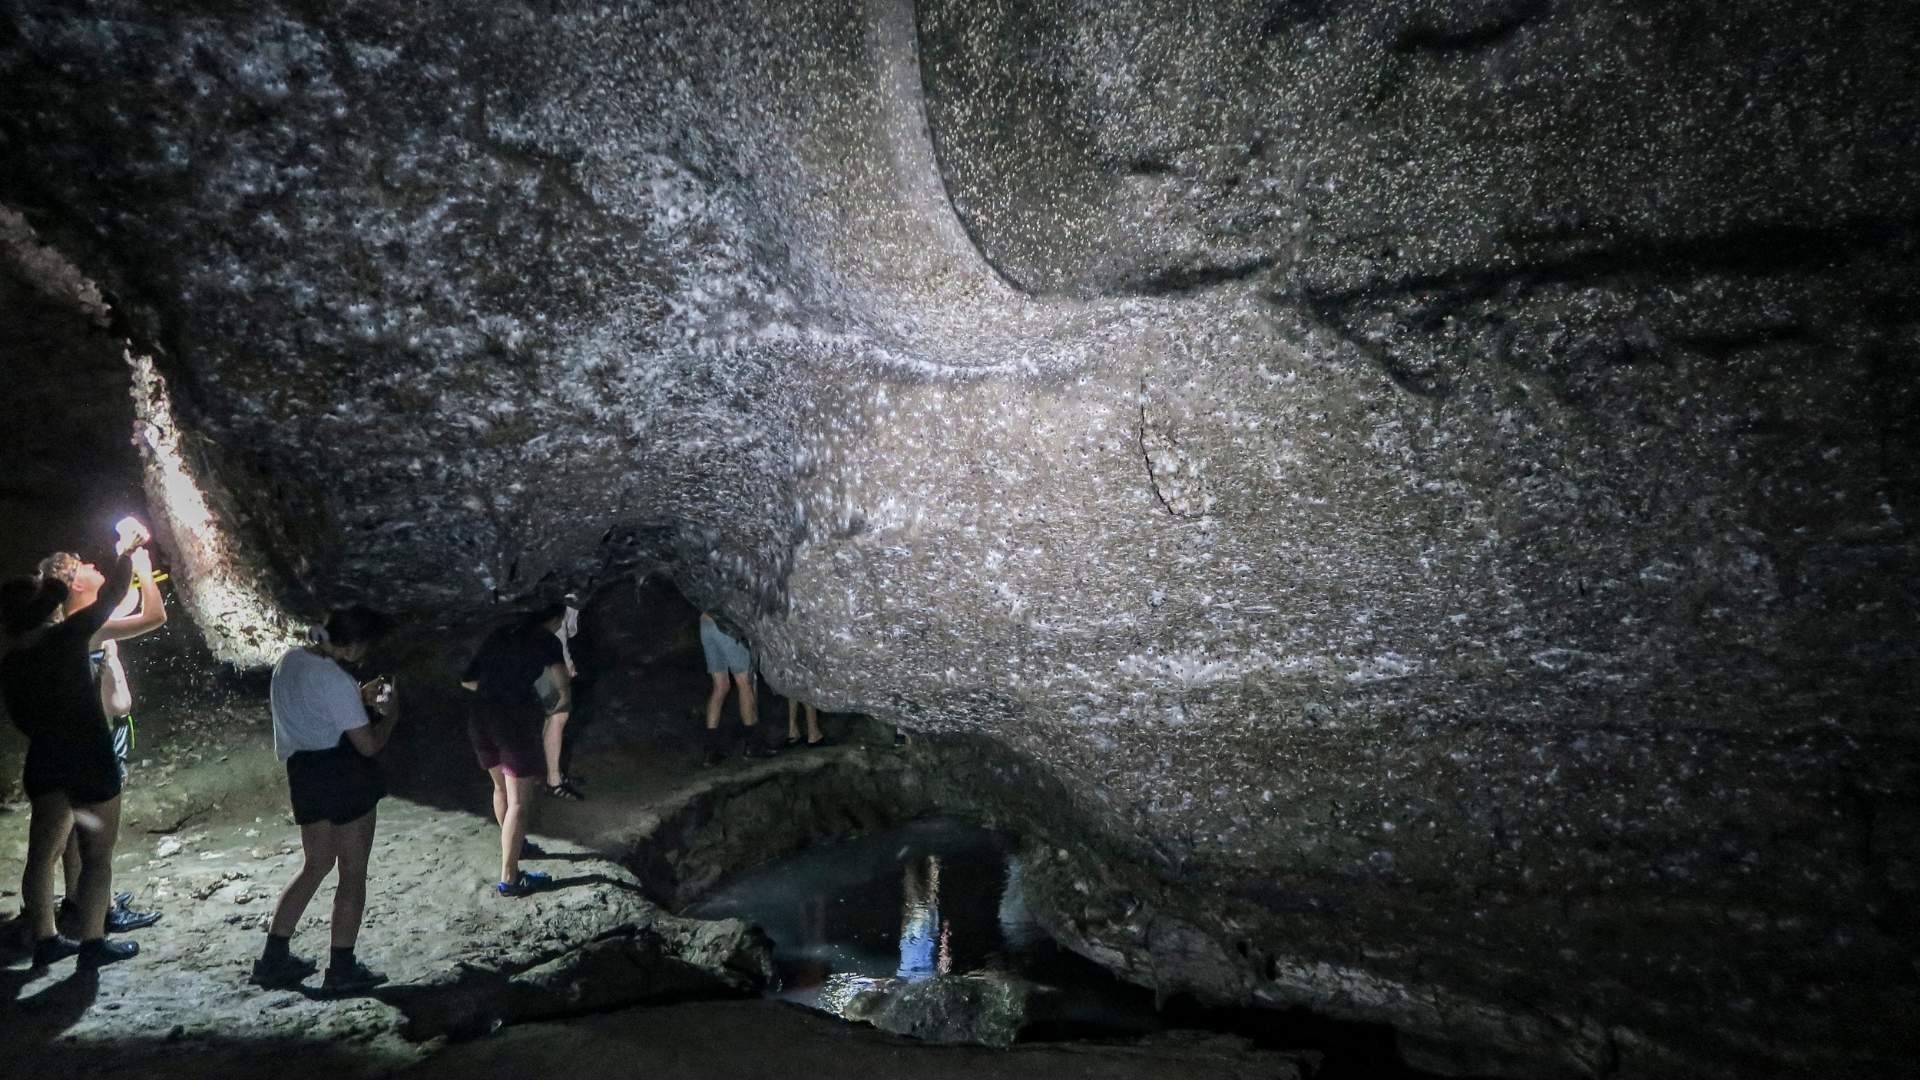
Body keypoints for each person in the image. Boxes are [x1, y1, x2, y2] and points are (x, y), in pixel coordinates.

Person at [0, 518, 164, 969]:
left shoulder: (11, 660)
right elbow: (114, 594)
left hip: (45, 759)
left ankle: (46, 938)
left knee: (42, 855)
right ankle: (93, 941)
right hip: (88, 758)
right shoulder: (67, 637)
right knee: (97, 855)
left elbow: (21, 718)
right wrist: (127, 552)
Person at [252, 606, 398, 993]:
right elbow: (367, 745)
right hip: (345, 775)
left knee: (315, 865)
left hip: (304, 773)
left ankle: (273, 959)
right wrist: (391, 716)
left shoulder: (289, 660)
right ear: (354, 646)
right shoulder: (336, 679)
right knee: (352, 872)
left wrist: (357, 696)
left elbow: (315, 707)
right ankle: (342, 968)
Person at [38, 550, 166, 935]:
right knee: (95, 836)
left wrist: (127, 558)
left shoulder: (73, 624)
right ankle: (101, 912)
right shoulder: (88, 629)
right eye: (87, 567)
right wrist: (143, 568)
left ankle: (79, 899)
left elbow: (121, 599)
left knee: (79, 828)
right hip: (99, 737)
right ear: (76, 583)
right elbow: (154, 616)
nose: (95, 566)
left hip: (87, 734)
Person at [461, 603, 570, 897]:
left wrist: (497, 691)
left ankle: (517, 846)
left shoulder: (503, 633)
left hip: (479, 716)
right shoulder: (547, 640)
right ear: (557, 618)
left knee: (500, 789)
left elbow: (467, 680)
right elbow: (562, 687)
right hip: (512, 723)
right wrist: (551, 706)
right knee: (519, 803)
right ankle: (509, 879)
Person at [531, 593, 584, 799]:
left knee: (552, 718)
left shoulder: (566, 602)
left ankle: (551, 774)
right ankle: (553, 781)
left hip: (549, 664)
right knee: (558, 716)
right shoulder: (564, 600)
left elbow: (565, 633)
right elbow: (562, 632)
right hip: (549, 667)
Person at [699, 611, 764, 765]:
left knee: (720, 686)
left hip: (705, 622)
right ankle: (752, 745)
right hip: (726, 624)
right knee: (745, 682)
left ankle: (710, 751)